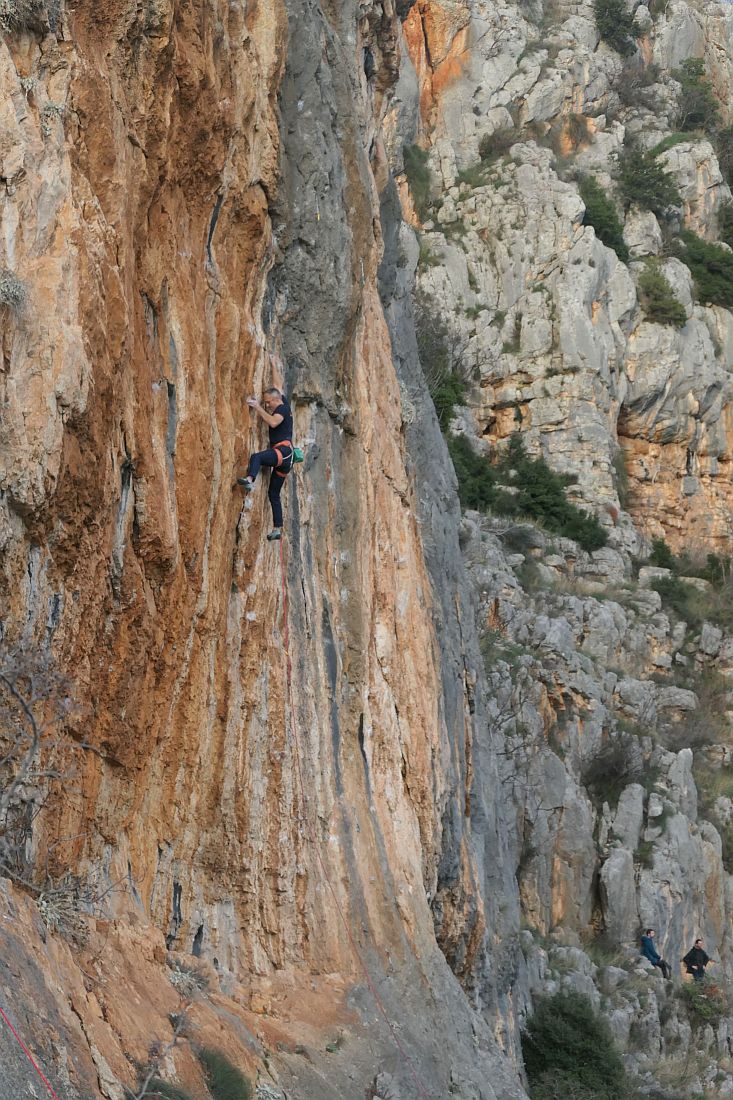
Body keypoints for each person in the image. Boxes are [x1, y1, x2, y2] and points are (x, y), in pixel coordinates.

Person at [238, 364, 293, 542]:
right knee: (273, 494)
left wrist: (257, 407)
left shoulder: (282, 409)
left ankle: (249, 480)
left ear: (276, 400)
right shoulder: (281, 399)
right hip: (286, 457)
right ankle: (277, 529)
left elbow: (273, 423)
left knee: (257, 457)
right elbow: (278, 384)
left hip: (282, 452)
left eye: (268, 402)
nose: (267, 404)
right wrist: (272, 363)